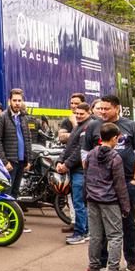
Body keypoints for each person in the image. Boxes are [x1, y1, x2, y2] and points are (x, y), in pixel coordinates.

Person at [82, 95, 135, 271]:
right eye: (100, 108)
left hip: (126, 182)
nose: (102, 111)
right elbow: (84, 154)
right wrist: (91, 178)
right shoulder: (93, 126)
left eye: (106, 108)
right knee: (99, 226)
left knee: (128, 221)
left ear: (117, 108)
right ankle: (101, 261)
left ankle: (131, 259)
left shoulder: (131, 126)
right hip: (101, 185)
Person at [83, 123, 132, 271]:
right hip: (109, 200)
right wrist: (125, 206)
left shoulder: (91, 154)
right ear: (114, 138)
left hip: (92, 199)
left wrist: (87, 196)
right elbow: (119, 184)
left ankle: (94, 269)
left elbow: (86, 176)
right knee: (115, 235)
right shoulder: (115, 157)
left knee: (95, 236)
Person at [57, 102, 93, 245]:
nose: (78, 116)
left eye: (81, 113)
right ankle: (86, 231)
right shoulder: (79, 126)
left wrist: (66, 165)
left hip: (80, 171)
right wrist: (60, 161)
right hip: (75, 170)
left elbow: (80, 150)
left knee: (79, 203)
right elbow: (68, 148)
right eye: (76, 113)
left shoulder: (87, 127)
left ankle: (80, 233)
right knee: (80, 203)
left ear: (88, 112)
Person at [0, 88, 34, 197]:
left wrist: (29, 160)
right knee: (6, 194)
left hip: (21, 162)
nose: (17, 103)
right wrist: (4, 162)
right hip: (10, 163)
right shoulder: (1, 118)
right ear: (9, 101)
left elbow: (28, 139)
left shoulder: (24, 117)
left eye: (19, 101)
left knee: (15, 193)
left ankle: (11, 214)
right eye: (14, 100)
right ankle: (2, 214)